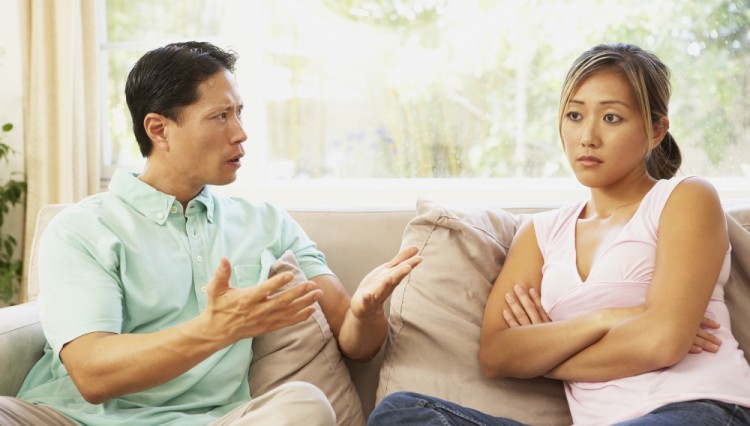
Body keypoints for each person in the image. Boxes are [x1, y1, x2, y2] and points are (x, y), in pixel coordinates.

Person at [0, 41, 421, 426]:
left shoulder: (266, 223)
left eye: (239, 112)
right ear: (159, 129)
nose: (240, 132)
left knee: (305, 404)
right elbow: (92, 373)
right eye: (220, 116)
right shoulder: (83, 228)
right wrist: (216, 329)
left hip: (213, 422)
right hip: (70, 419)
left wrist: (366, 313)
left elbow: (355, 342)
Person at [369, 43, 750, 425]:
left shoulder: (685, 198)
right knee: (402, 411)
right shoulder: (542, 231)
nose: (587, 137)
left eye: (612, 118)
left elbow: (662, 342)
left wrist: (547, 357)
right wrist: (606, 318)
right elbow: (497, 355)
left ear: (656, 131)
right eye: (574, 115)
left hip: (698, 408)